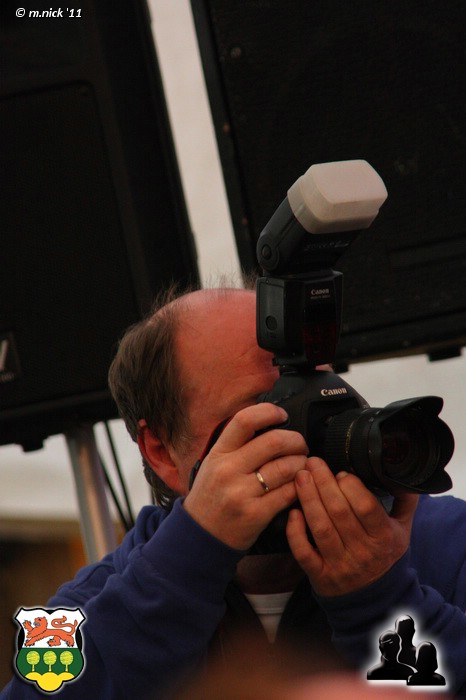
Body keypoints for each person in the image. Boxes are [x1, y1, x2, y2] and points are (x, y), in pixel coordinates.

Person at [2, 285, 466, 699]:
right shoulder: (96, 600)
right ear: (162, 451)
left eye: (324, 398)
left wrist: (382, 601)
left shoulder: (448, 543)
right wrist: (189, 563)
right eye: (271, 412)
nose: (311, 433)